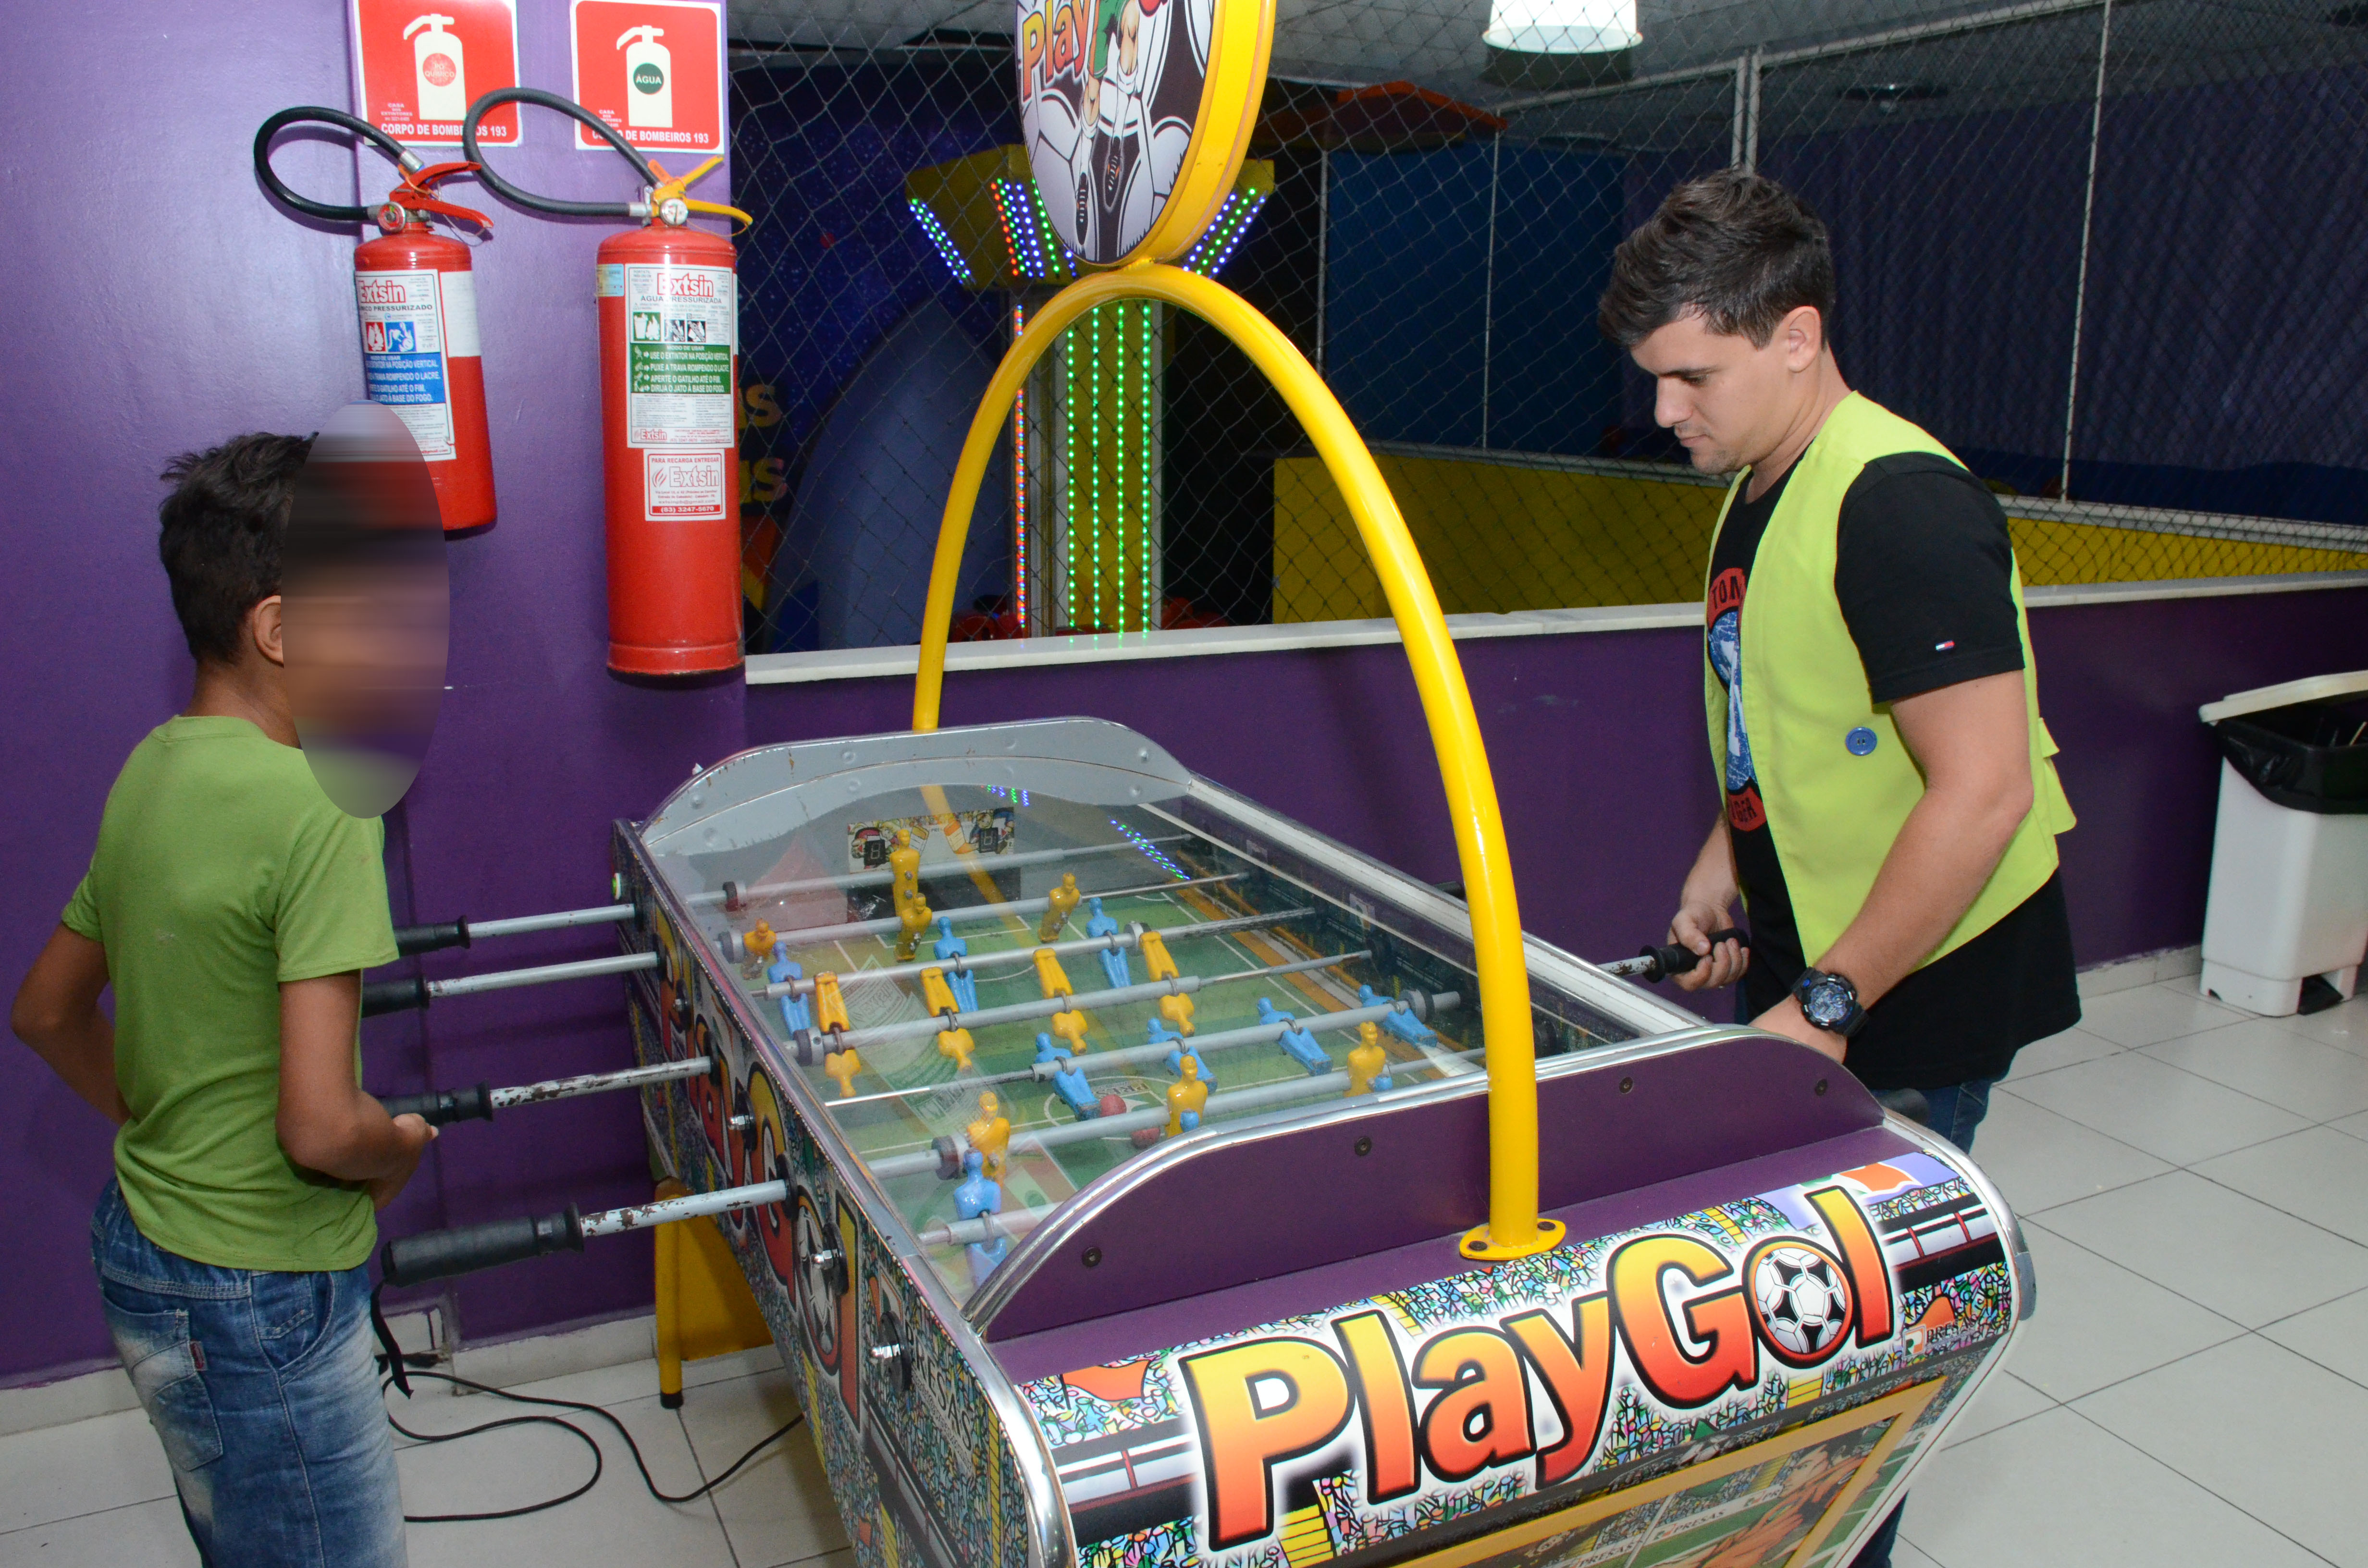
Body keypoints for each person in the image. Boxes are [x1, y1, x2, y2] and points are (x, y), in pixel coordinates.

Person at [1600, 172, 2079, 1567]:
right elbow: (1787, 710)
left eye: (1692, 376)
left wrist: (1826, 1004)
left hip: (1918, 983)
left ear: (1796, 337)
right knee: (1793, 1323)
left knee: (1857, 1357)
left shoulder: (1899, 504)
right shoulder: (1764, 483)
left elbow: (1981, 790)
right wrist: (1727, 861)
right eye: (1654, 378)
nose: (1664, 410)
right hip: (1831, 959)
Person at [10, 433, 433, 1568]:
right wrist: (395, 1148)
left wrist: (169, 1121)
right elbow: (320, 1127)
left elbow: (45, 1011)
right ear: (280, 629)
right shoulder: (323, 808)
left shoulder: (150, 770)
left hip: (143, 1250)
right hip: (265, 1288)